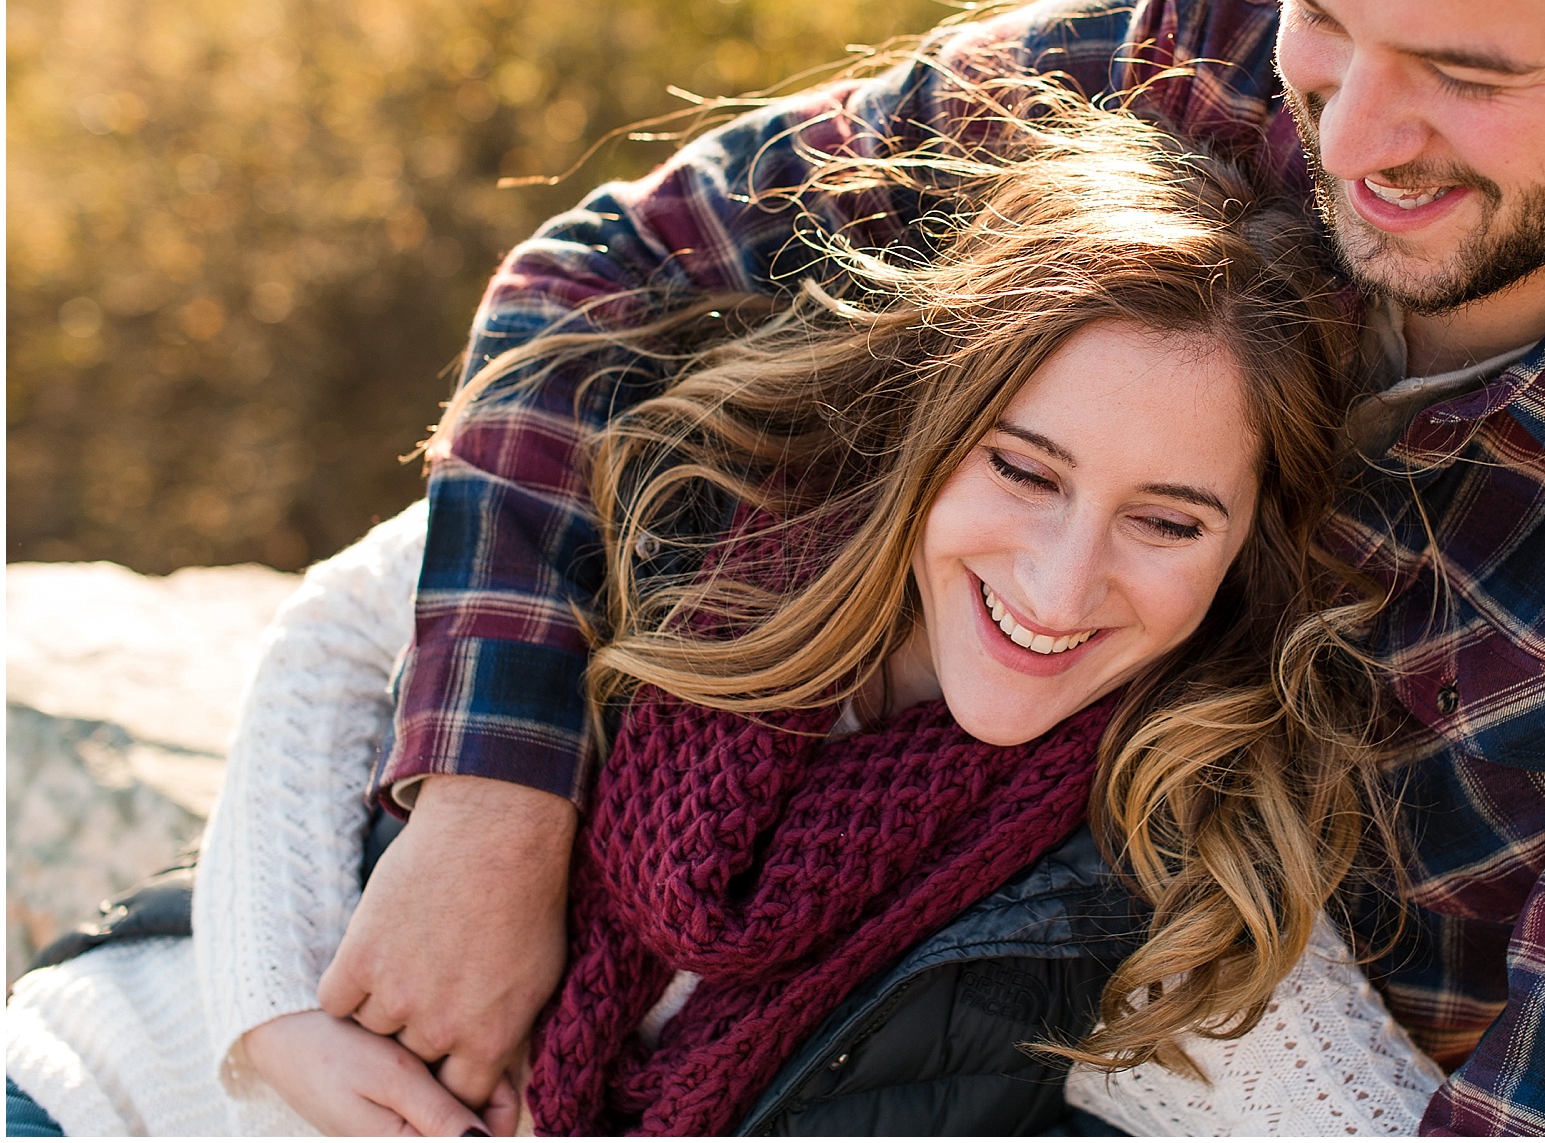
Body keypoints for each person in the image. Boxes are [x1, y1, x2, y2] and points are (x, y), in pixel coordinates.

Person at [317, 0, 1545, 1136]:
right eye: (1327, 15)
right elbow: (605, 285)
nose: (1354, 138)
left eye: (1470, 73)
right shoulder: (1187, 55)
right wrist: (488, 807)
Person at [6, 99, 1452, 1135]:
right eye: (1026, 469)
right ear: (933, 426)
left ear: (1240, 556)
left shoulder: (1156, 888)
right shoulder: (688, 507)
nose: (1063, 585)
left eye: (1168, 520)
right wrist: (272, 1023)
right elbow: (336, 632)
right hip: (110, 1085)